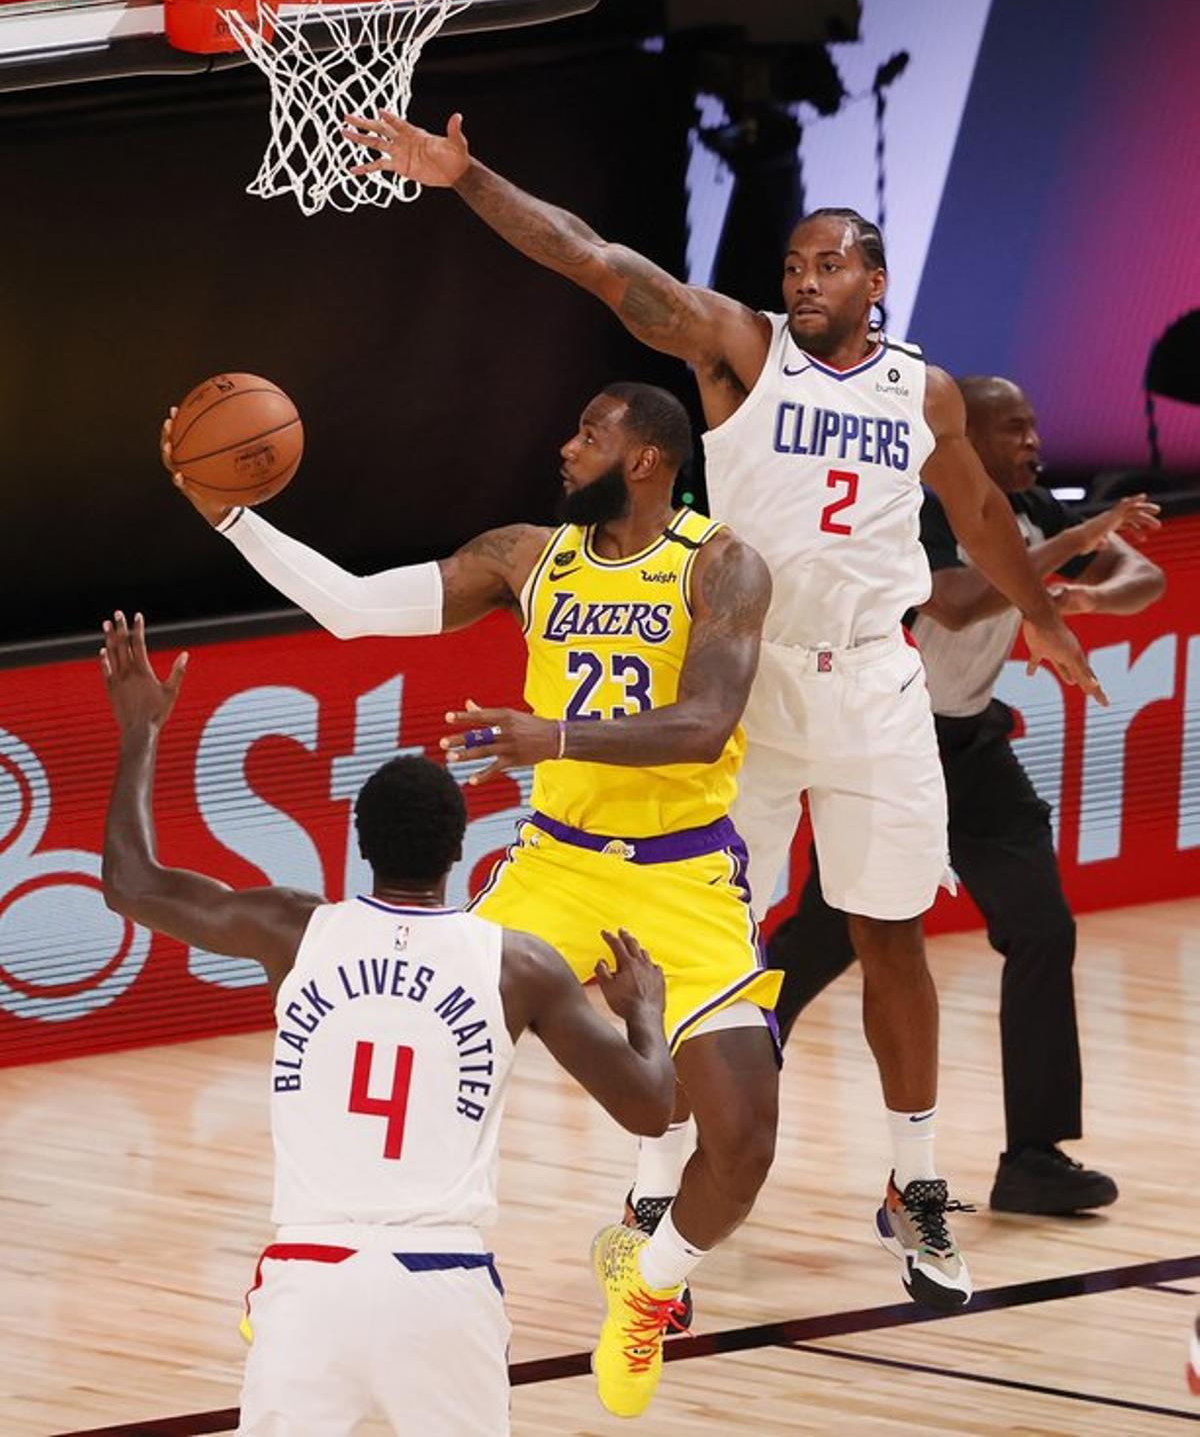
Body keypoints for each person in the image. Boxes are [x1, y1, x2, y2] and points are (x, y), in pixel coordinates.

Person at [340, 109, 1105, 1311]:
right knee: (690, 941)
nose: (801, 280)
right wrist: (469, 174)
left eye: (826, 263)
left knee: (889, 933)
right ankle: (660, 1184)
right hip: (743, 682)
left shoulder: (929, 393)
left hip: (876, 677)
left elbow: (984, 521)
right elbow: (598, 261)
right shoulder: (743, 351)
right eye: (792, 265)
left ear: (876, 280)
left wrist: (1042, 618)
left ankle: (915, 1183)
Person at [163, 382, 782, 1419]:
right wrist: (234, 516)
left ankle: (653, 1284)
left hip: (684, 871)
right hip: (558, 861)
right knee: (389, 1017)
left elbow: (707, 721)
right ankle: (300, 1262)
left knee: (746, 1141)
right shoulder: (526, 557)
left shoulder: (722, 567)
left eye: (591, 434)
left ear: (644, 460)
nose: (565, 444)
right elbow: (357, 610)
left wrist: (551, 738)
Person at [99, 609, 678, 1437]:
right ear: (458, 849)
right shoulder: (519, 965)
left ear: (360, 843)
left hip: (308, 1281)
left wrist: (139, 731)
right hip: (442, 1283)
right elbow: (652, 1108)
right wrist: (643, 1014)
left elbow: (129, 881)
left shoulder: (294, 930)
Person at [768, 376, 1164, 1213]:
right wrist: (1069, 547)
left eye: (1033, 424)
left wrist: (1090, 589)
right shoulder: (917, 510)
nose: (1033, 442)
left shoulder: (1030, 507)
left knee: (1043, 928)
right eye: (1014, 428)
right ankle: (720, 1092)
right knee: (820, 943)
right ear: (964, 438)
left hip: (973, 746)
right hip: (888, 744)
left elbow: (1145, 577)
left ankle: (1032, 1158)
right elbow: (954, 604)